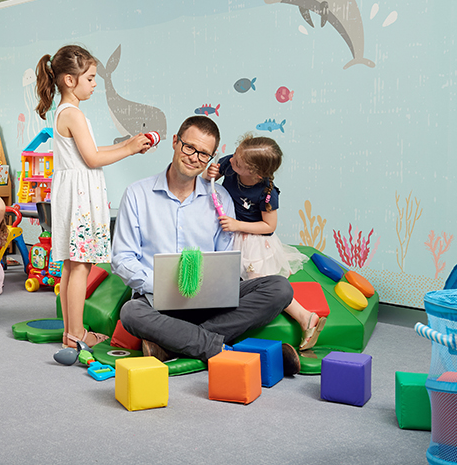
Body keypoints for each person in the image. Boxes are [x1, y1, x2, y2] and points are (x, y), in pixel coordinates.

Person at [112, 115, 300, 374]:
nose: (194, 158)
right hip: (155, 301)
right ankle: (228, 349)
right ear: (176, 142)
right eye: (190, 147)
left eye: (204, 154)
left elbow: (226, 259)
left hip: (208, 304)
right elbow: (122, 258)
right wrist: (163, 287)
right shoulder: (137, 194)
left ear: (212, 158)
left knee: (279, 288)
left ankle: (173, 346)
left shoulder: (220, 198)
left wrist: (211, 288)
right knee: (131, 312)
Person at [35, 44, 151, 350]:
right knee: (80, 265)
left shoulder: (67, 112)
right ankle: (77, 334)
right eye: (90, 78)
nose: (95, 83)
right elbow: (92, 158)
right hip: (80, 194)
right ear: (70, 80)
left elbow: (94, 153)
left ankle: (70, 332)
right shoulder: (72, 113)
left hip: (73, 191)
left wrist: (129, 144)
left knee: (72, 266)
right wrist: (128, 149)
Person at [207, 133, 321, 350]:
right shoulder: (231, 163)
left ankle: (306, 317)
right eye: (235, 155)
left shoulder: (267, 194)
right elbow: (210, 176)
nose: (230, 161)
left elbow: (268, 227)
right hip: (229, 231)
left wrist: (238, 225)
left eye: (238, 162)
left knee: (257, 280)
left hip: (252, 240)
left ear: (256, 173)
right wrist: (209, 172)